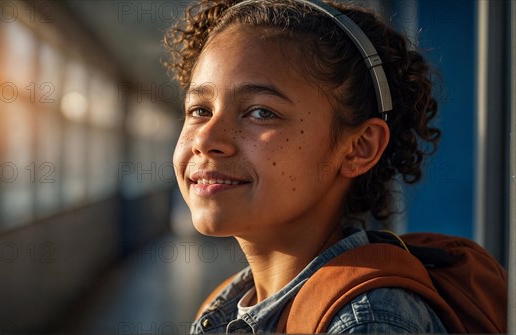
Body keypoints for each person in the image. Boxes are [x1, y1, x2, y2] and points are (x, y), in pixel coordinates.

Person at [164, 0, 446, 333]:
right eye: (200, 110)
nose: (207, 139)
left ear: (358, 147)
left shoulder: (368, 322)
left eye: (261, 112)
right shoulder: (227, 305)